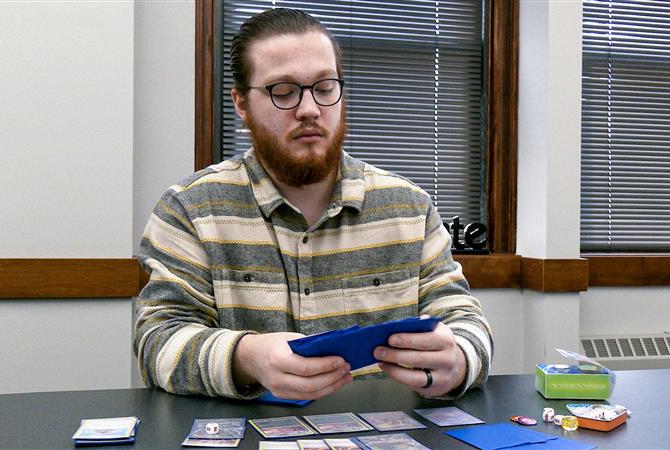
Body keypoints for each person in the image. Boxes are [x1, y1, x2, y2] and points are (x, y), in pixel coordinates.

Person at [135, 8, 493, 401]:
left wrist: (458, 359)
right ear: (241, 104)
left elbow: (466, 321)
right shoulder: (190, 210)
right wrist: (248, 357)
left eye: (324, 88)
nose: (309, 109)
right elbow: (158, 342)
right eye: (283, 91)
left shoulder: (410, 208)